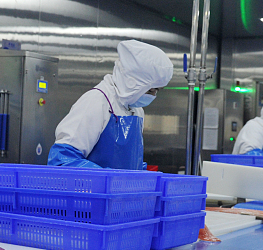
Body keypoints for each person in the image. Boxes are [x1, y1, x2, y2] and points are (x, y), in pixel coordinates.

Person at [46, 40, 174, 170]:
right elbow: (62, 160)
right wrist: (108, 178)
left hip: (120, 190)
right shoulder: (97, 102)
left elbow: (130, 163)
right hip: (92, 189)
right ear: (133, 82)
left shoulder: (137, 110)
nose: (153, 96)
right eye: (150, 90)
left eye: (157, 91)